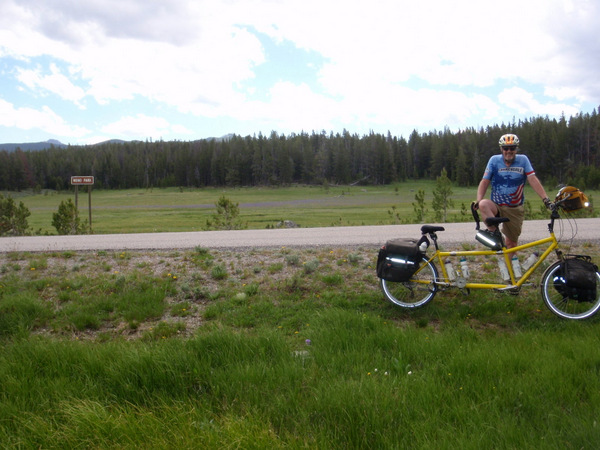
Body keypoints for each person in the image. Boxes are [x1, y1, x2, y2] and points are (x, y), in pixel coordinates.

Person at [474, 133, 550, 249]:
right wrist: (478, 200)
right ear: (501, 149)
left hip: (514, 208)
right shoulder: (494, 160)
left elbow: (532, 179)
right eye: (505, 148)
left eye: (512, 148)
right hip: (497, 206)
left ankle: (509, 266)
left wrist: (545, 199)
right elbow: (485, 181)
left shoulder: (523, 160)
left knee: (511, 244)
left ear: (516, 149)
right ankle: (495, 235)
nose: (509, 151)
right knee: (483, 204)